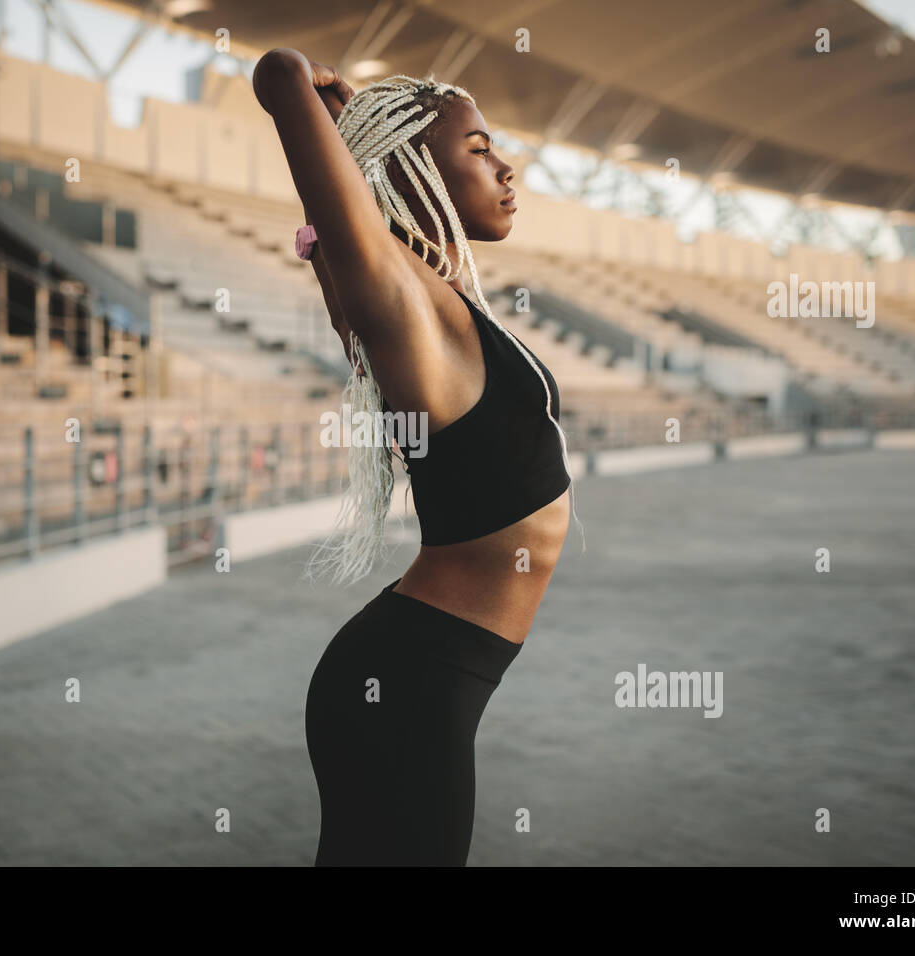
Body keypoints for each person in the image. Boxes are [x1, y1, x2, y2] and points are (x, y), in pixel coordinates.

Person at [253, 48, 585, 866]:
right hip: (410, 684)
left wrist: (355, 127)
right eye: (478, 150)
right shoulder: (398, 297)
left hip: (430, 674)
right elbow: (275, 71)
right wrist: (313, 90)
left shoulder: (428, 294)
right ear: (413, 174)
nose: (508, 168)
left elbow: (344, 223)